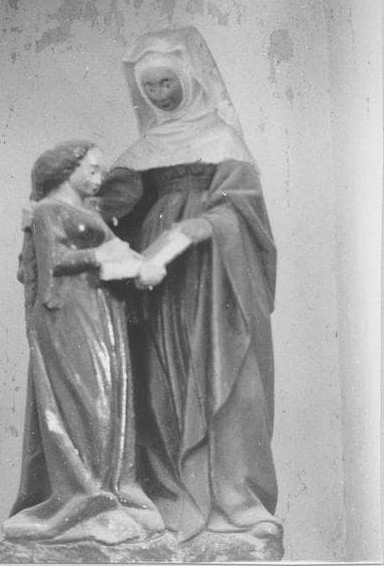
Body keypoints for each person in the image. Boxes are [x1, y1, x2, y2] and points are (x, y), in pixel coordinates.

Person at [97, 27, 282, 543]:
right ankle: (170, 496)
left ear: (190, 78)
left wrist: (190, 230)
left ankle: (232, 500)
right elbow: (108, 212)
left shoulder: (224, 142)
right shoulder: (142, 151)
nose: (159, 94)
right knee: (160, 385)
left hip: (215, 283)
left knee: (225, 381)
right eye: (149, 87)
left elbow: (244, 215)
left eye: (166, 82)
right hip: (159, 293)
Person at [2, 141, 165, 544]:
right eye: (91, 169)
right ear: (66, 169)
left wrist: (137, 265)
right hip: (67, 312)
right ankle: (84, 499)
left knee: (111, 400)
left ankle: (113, 493)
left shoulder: (89, 213)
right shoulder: (47, 211)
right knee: (83, 403)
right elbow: (53, 263)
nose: (98, 177)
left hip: (101, 309)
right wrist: (102, 257)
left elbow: (110, 249)